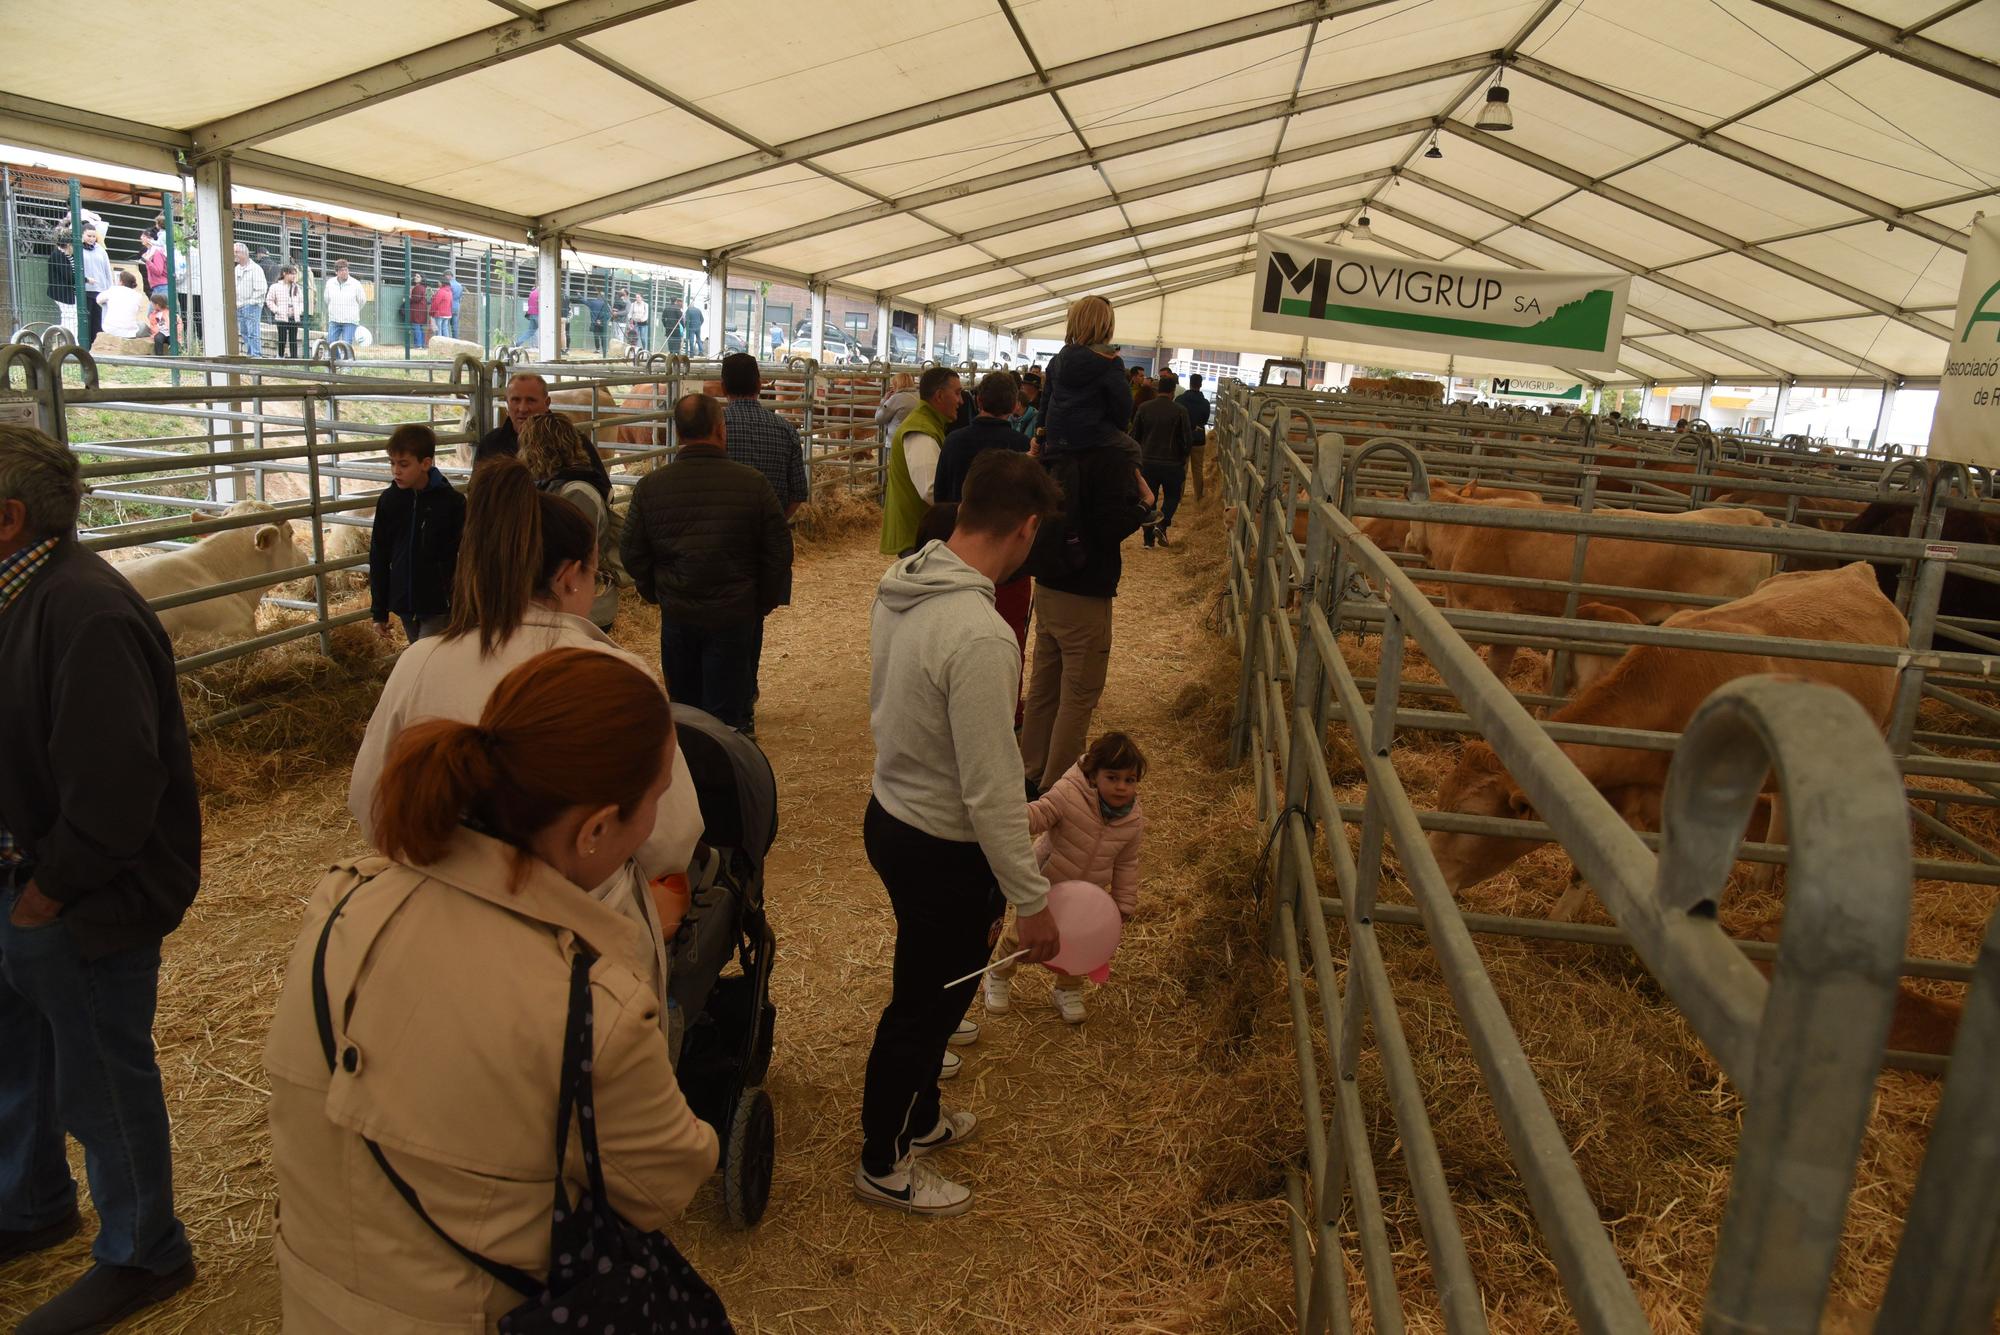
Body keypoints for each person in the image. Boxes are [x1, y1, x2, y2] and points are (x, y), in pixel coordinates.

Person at [282, 649, 718, 1329]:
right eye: (657, 798)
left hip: (314, 1304)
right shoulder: (592, 1005)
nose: (658, 819)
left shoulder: (337, 904)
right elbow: (665, 1184)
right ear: (597, 828)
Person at [348, 457, 704, 1034]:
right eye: (595, 575)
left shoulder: (421, 662)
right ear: (569, 576)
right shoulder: (616, 674)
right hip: (583, 949)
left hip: (439, 934)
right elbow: (671, 837)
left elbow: (371, 804)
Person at [0, 426, 200, 1332]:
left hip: (84, 895)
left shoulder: (84, 613)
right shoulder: (24, 597)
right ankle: (31, 1199)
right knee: (22, 1052)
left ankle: (143, 1248)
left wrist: (49, 894)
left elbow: (118, 787)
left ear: (8, 518)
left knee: (101, 1068)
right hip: (29, 876)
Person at [856, 449, 1064, 1216]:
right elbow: (990, 787)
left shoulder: (908, 581)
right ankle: (884, 1159)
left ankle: (920, 1117)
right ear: (1027, 528)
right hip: (942, 842)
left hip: (894, 812)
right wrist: (1030, 897)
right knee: (925, 1006)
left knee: (935, 984)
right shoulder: (980, 633)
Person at [1017, 348, 1152, 797]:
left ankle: (1028, 771)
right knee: (1078, 693)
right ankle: (1057, 788)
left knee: (1044, 685)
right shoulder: (1112, 455)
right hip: (1086, 588)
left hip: (1050, 579)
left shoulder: (1051, 445)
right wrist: (1145, 507)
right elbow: (1109, 525)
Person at [621, 394, 793, 736]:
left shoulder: (650, 487)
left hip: (678, 613)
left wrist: (656, 592)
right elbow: (779, 549)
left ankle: (691, 775)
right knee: (729, 716)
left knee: (684, 711)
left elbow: (631, 552)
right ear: (720, 429)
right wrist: (763, 599)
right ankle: (731, 772)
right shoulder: (753, 484)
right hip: (735, 613)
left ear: (678, 431)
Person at [985, 731, 1146, 1023]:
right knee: (1020, 937)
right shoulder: (1069, 792)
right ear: (1094, 776)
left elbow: (1126, 863)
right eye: (1113, 777)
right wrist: (1015, 815)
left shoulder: (1132, 821)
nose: (1122, 787)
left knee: (1079, 943)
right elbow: (1043, 813)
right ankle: (998, 974)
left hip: (1087, 897)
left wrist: (1123, 903)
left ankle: (1067, 990)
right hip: (1048, 885)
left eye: (1129, 780)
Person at [1040, 296, 1152, 504]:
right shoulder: (1111, 362)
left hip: (1057, 438)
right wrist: (1117, 427)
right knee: (1133, 449)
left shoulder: (1056, 361)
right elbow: (1122, 406)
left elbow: (1045, 401)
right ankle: (1135, 499)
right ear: (1106, 326)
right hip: (1092, 435)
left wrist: (1041, 433)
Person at [367, 424, 465, 644]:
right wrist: (379, 611)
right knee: (420, 654)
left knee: (425, 657)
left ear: (426, 463)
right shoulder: (389, 501)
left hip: (439, 603)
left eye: (403, 464)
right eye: (392, 463)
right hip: (405, 602)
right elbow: (379, 555)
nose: (396, 471)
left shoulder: (452, 503)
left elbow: (465, 554)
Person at [521, 413, 619, 631]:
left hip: (583, 609)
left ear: (537, 449)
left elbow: (568, 553)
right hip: (562, 604)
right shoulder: (554, 486)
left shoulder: (577, 493)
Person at [877, 366, 961, 556]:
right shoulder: (921, 429)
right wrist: (965, 513)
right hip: (917, 536)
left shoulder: (928, 424)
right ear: (939, 396)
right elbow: (930, 489)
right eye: (957, 393)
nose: (961, 400)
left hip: (920, 533)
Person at [474, 372, 612, 482]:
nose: (522, 408)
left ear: (547, 403)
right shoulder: (491, 444)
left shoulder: (571, 441)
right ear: (507, 403)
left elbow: (601, 487)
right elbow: (476, 491)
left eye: (531, 400)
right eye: (515, 400)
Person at [719, 353, 808, 520]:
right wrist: (776, 523)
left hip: (723, 530)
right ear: (759, 386)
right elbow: (799, 493)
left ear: (723, 388)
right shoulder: (786, 429)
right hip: (769, 530)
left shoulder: (713, 427)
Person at [1134, 371, 1194, 548]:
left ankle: (1148, 539)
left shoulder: (1144, 408)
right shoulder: (1180, 411)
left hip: (1147, 462)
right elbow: (1187, 439)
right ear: (1173, 391)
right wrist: (1182, 458)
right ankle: (1163, 522)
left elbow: (1135, 435)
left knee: (1148, 498)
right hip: (1172, 463)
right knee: (1172, 496)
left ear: (1157, 389)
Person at [74, 225, 114, 346]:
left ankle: (97, 346)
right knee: (86, 319)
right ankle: (84, 345)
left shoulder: (100, 250)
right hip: (85, 290)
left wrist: (109, 288)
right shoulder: (78, 249)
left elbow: (107, 270)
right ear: (82, 235)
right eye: (88, 236)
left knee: (98, 320)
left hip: (100, 290)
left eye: (93, 236)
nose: (91, 239)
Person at [1177, 372, 1211, 500]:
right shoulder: (1205, 403)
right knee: (1197, 469)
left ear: (1190, 383)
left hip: (1183, 438)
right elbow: (1205, 420)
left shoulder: (1180, 400)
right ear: (1201, 385)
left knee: (1182, 468)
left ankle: (1179, 497)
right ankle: (1198, 497)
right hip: (1199, 438)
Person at [230, 242, 267, 356]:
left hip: (252, 305)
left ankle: (256, 355)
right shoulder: (236, 269)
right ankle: (251, 354)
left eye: (236, 252)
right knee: (244, 332)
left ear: (244, 253)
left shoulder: (255, 269)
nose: (234, 254)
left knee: (253, 332)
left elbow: (261, 289)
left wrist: (251, 302)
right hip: (239, 305)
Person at [322, 258, 365, 350]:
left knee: (346, 345)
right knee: (331, 343)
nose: (344, 272)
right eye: (341, 270)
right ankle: (337, 363)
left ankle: (346, 364)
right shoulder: (330, 283)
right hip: (334, 319)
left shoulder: (355, 284)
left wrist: (354, 311)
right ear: (336, 272)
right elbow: (327, 299)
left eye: (346, 270)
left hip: (350, 321)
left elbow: (362, 300)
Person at [95, 271, 150, 340]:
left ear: (121, 282)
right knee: (142, 324)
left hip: (110, 329)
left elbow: (98, 299)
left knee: (104, 302)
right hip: (130, 331)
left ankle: (108, 323)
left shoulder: (113, 289)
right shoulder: (138, 295)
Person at [44, 229, 77, 339]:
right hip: (62, 292)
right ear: (68, 244)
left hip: (66, 291)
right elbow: (69, 276)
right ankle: (71, 341)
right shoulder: (58, 255)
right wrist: (85, 280)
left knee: (69, 317)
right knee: (71, 317)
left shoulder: (66, 254)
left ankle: (46, 338)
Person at [266, 265, 304, 359]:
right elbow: (269, 300)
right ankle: (280, 356)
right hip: (281, 316)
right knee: (282, 338)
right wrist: (276, 310)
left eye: (295, 274)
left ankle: (294, 358)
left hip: (293, 316)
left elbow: (302, 301)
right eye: (291, 274)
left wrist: (299, 311)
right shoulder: (275, 286)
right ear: (284, 274)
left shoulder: (297, 287)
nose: (294, 276)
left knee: (293, 339)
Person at [876, 372, 919, 444]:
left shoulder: (896, 398)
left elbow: (879, 418)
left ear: (896, 384)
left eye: (892, 385)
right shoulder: (919, 396)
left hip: (898, 439)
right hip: (916, 439)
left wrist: (884, 400)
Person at [406, 273, 429, 350]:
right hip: (422, 310)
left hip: (417, 311)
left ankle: (418, 345)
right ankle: (422, 345)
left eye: (418, 276)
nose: (415, 277)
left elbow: (416, 299)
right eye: (415, 276)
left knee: (416, 327)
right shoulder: (423, 287)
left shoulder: (418, 288)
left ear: (422, 279)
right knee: (420, 328)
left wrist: (409, 298)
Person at [428, 276, 454, 342]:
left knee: (438, 330)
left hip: (439, 314)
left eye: (439, 282)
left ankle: (439, 343)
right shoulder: (450, 292)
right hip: (447, 314)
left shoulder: (441, 291)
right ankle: (447, 343)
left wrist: (431, 312)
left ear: (442, 283)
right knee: (445, 329)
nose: (438, 284)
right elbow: (451, 303)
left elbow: (436, 303)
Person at [516, 284, 541, 348]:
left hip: (531, 314)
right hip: (538, 314)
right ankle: (537, 346)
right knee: (543, 330)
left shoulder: (532, 293)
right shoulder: (541, 293)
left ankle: (518, 342)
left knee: (531, 330)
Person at [445, 270, 464, 339]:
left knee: (445, 325)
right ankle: (455, 340)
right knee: (455, 326)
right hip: (456, 306)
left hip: (448, 306)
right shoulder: (460, 285)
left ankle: (446, 341)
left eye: (445, 276)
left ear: (448, 276)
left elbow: (447, 296)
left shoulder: (449, 285)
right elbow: (461, 297)